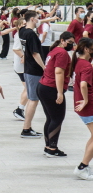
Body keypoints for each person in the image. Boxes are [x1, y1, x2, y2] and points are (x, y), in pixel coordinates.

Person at [37, 31, 75, 157]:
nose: (71, 45)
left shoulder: (54, 50)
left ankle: (48, 146)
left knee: (51, 118)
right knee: (57, 118)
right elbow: (59, 72)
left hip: (43, 86)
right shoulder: (62, 53)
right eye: (69, 42)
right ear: (62, 40)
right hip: (51, 88)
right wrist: (59, 93)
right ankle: (52, 148)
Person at [19, 11, 46, 139]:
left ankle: (27, 127)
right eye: (37, 18)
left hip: (28, 69)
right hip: (34, 70)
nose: (38, 20)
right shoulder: (31, 34)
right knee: (33, 100)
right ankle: (26, 129)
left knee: (32, 99)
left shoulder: (22, 31)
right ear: (32, 19)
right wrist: (44, 67)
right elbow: (35, 53)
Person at [72, 38, 93, 179]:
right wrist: (86, 100)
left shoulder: (78, 62)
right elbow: (84, 84)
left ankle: (85, 165)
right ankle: (82, 167)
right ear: (86, 49)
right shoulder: (86, 66)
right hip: (88, 105)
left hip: (83, 104)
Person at [11, 17, 29, 121]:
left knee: (28, 88)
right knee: (29, 88)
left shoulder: (24, 34)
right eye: (22, 24)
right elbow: (15, 49)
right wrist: (23, 57)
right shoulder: (19, 35)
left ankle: (20, 109)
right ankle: (19, 109)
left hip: (24, 66)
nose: (24, 26)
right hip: (21, 66)